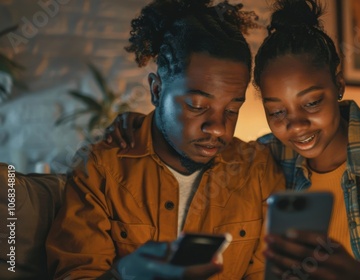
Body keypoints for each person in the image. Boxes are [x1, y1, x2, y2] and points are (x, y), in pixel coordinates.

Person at [108, 0, 360, 279]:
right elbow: (189, 152)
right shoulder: (265, 156)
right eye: (277, 112)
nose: (296, 126)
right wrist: (139, 126)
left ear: (339, 85)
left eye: (312, 102)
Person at [45, 1, 285, 279]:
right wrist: (123, 274)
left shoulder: (257, 170)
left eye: (232, 110)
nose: (218, 128)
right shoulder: (101, 170)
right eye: (196, 106)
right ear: (157, 90)